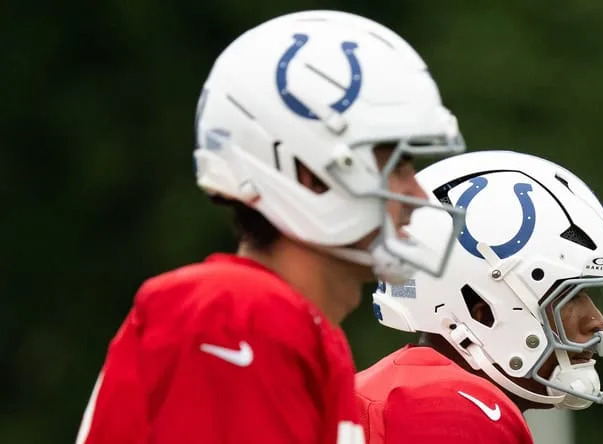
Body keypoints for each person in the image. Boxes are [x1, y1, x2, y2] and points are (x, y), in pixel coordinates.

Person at [75, 10, 465, 444]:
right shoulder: (237, 314)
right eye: (397, 165)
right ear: (311, 176)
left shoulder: (297, 327)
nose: (416, 193)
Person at [356, 150, 603, 443]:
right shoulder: (451, 414)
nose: (597, 321)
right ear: (483, 312)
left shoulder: (386, 392)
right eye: (568, 296)